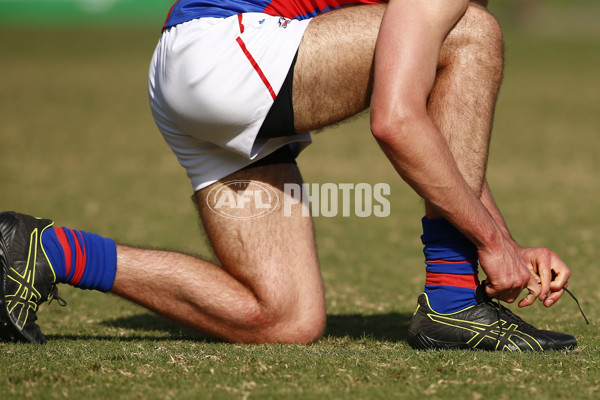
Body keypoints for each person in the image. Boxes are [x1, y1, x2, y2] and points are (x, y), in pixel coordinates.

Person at [0, 0, 577, 350]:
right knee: (473, 31)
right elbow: (397, 121)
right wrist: (488, 243)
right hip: (228, 47)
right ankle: (452, 303)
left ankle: (43, 252)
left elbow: (449, 139)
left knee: (284, 318)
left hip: (191, 70)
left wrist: (502, 240)